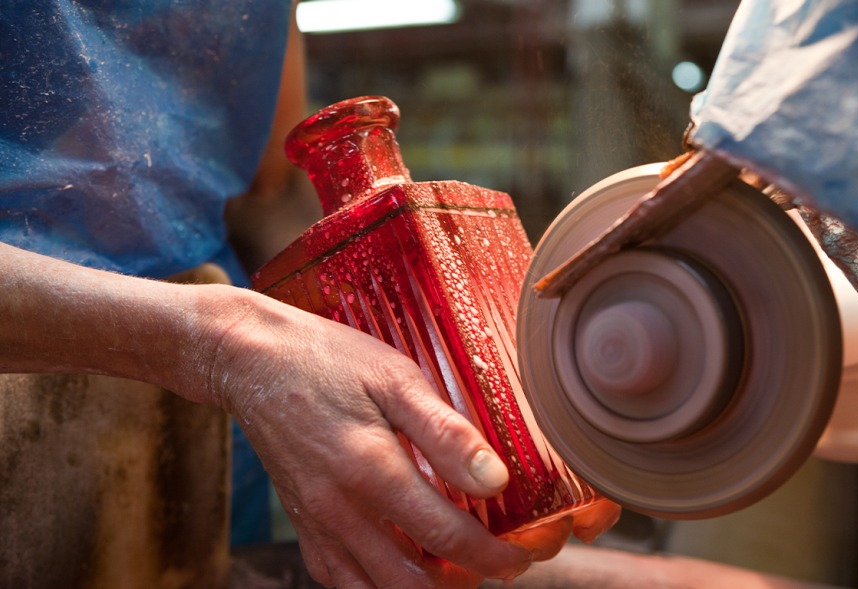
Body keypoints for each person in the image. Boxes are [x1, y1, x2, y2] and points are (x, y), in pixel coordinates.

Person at [0, 2, 619, 587]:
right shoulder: (225, 347)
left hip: (202, 455)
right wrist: (225, 346)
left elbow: (268, 195)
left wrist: (463, 353)